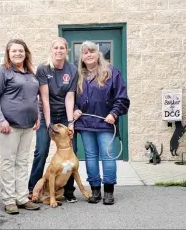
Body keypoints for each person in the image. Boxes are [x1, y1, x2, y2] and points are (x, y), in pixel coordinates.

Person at [73, 41, 130, 205]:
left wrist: (114, 113)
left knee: (107, 156)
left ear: (98, 53)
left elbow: (121, 97)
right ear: (82, 57)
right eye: (85, 52)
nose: (89, 54)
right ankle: (95, 190)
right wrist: (75, 109)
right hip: (85, 123)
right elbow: (70, 97)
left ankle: (109, 191)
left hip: (105, 123)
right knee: (90, 156)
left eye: (91, 51)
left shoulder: (112, 72)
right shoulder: (78, 75)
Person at [0, 39, 40, 215]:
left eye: (21, 51)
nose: (18, 53)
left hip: (27, 125)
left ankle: (22, 197)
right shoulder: (2, 72)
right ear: (8, 53)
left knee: (22, 161)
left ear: (26, 53)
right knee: (9, 161)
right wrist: (1, 120)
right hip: (8, 126)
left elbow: (34, 97)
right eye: (14, 51)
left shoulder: (30, 73)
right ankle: (9, 200)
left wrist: (37, 116)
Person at [28, 37, 78, 203]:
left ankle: (69, 191)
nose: (59, 51)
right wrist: (48, 124)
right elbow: (44, 99)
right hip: (46, 115)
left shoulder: (72, 69)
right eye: (55, 48)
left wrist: (71, 123)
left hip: (63, 116)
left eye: (62, 48)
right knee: (41, 151)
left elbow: (69, 97)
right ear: (52, 50)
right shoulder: (43, 68)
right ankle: (33, 190)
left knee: (71, 152)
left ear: (66, 50)